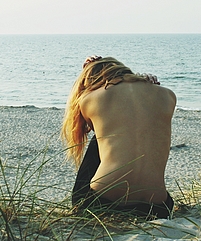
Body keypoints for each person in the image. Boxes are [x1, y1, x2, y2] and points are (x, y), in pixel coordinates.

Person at [61, 56, 177, 219]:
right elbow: (137, 120)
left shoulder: (89, 100)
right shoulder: (168, 95)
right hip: (158, 208)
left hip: (102, 202)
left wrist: (88, 76)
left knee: (100, 138)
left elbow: (95, 128)